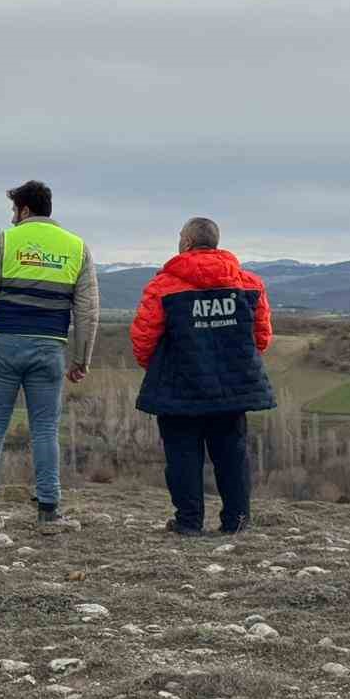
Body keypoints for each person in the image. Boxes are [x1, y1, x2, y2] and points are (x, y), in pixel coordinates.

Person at [0, 180, 98, 531]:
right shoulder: (77, 248)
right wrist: (81, 358)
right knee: (45, 429)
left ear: (23, 210)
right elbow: (87, 312)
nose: (12, 218)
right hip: (49, 348)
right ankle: (48, 511)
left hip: (3, 345)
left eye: (13, 211)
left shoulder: (3, 242)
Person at [130, 217, 276, 536]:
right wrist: (233, 365)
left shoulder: (163, 285)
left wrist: (160, 369)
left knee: (182, 456)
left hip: (179, 387)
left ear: (186, 243)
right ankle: (236, 521)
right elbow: (261, 336)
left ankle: (188, 522)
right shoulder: (249, 283)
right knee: (232, 455)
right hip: (232, 388)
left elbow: (143, 339)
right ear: (215, 242)